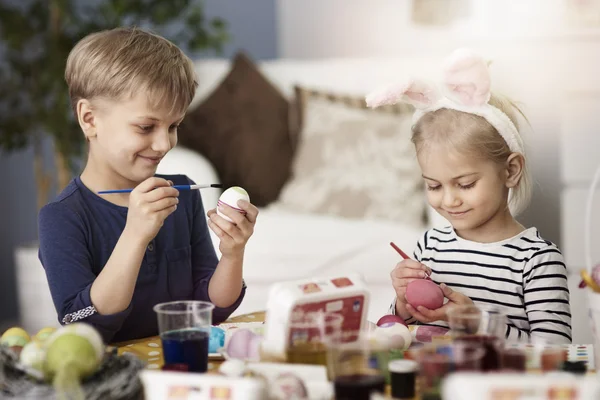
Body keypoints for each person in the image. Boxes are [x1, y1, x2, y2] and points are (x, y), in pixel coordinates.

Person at [38, 27, 258, 343]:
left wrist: (233, 253)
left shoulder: (183, 195)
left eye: (173, 126)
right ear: (89, 119)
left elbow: (209, 308)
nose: (163, 143)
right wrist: (135, 235)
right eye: (146, 127)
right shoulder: (61, 218)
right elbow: (83, 325)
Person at [366, 49, 571, 344]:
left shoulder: (536, 260)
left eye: (465, 184)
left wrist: (478, 322)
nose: (448, 201)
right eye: (434, 186)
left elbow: (556, 352)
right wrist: (402, 303)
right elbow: (408, 331)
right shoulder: (430, 247)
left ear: (510, 170)